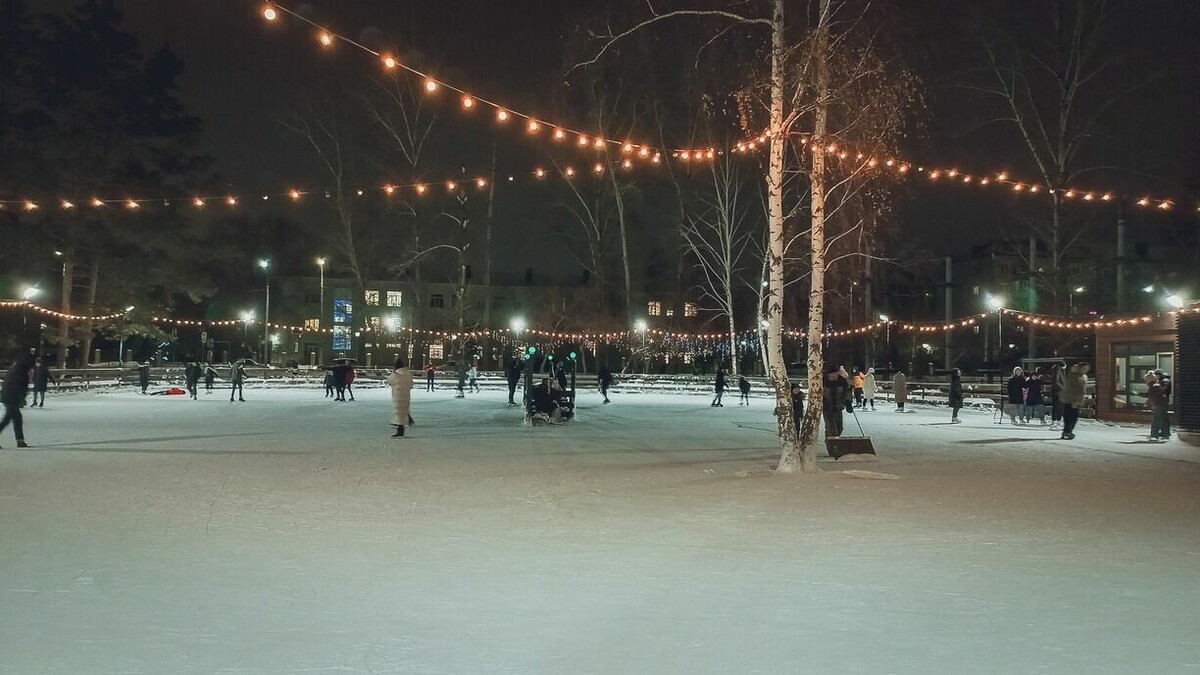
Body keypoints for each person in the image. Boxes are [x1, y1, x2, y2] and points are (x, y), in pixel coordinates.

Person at [0, 352, 34, 448]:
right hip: (11, 398)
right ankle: (20, 440)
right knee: (7, 420)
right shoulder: (20, 372)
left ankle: (20, 440)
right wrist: (20, 399)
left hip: (9, 397)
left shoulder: (17, 369)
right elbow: (18, 387)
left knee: (17, 419)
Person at [1059, 362, 1089, 440]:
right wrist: (1074, 401)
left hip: (1074, 400)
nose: (1086, 370)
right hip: (1071, 400)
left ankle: (1067, 432)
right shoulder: (1075, 376)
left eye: (1087, 369)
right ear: (1080, 368)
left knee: (1072, 417)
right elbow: (1072, 389)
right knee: (1070, 417)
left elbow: (1082, 390)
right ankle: (1067, 432)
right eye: (1084, 368)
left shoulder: (1081, 376)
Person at [387, 358, 414, 438]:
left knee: (399, 412)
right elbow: (411, 384)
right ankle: (403, 425)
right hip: (406, 394)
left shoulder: (395, 374)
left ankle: (400, 430)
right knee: (404, 410)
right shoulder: (408, 373)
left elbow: (390, 381)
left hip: (397, 395)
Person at [822, 365, 849, 438]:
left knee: (839, 428)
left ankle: (836, 441)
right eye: (831, 375)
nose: (833, 376)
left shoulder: (842, 381)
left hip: (838, 407)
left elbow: (847, 391)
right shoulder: (823, 381)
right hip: (826, 408)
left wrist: (848, 400)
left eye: (835, 374)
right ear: (828, 375)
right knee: (830, 428)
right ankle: (830, 444)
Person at [1146, 371, 1169, 441]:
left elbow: (1151, 396)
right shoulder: (1156, 385)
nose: (1145, 381)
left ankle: (1154, 435)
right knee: (1163, 420)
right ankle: (1165, 434)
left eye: (1146, 379)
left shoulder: (1153, 386)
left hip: (1158, 405)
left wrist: (1151, 403)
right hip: (1162, 404)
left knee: (1156, 420)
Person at [1155, 368, 1173, 440]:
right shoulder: (1164, 380)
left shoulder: (1164, 381)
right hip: (1165, 400)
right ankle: (1165, 432)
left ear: (1159, 375)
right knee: (1164, 417)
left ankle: (1165, 433)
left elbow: (1163, 389)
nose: (1156, 377)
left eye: (1156, 375)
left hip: (1163, 400)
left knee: (1163, 417)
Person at [1049, 362, 1066, 430]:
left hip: (1058, 391)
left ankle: (1057, 421)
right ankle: (1054, 422)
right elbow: (1057, 381)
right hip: (1058, 391)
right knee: (1057, 407)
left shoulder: (1057, 370)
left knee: (1059, 407)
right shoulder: (1058, 370)